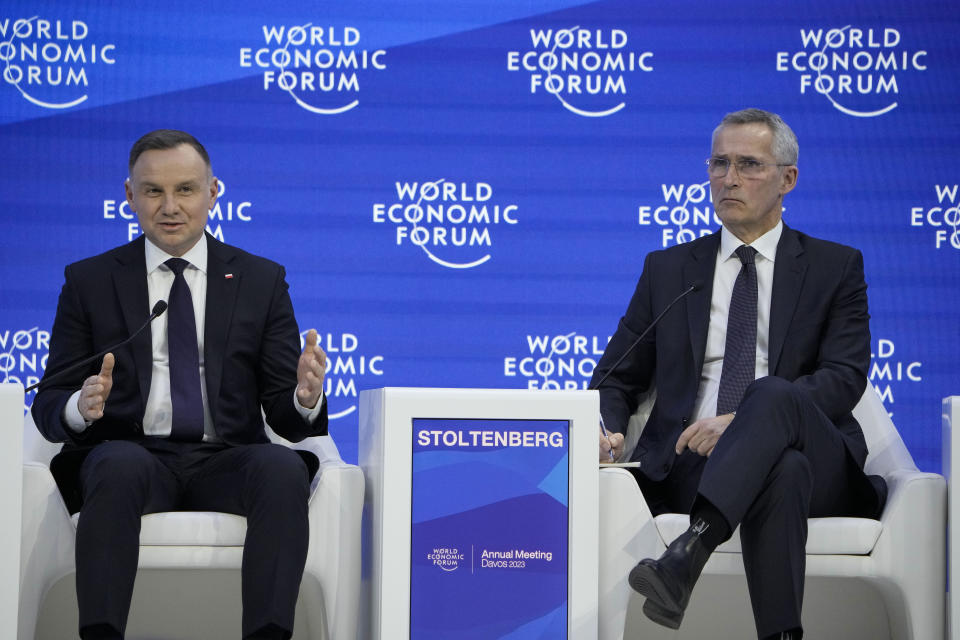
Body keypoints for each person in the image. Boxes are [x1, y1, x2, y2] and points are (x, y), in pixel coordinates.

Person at [592, 108, 887, 640]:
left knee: (771, 398)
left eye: (748, 165)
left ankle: (689, 553)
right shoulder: (669, 269)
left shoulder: (835, 266)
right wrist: (605, 427)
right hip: (693, 465)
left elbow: (843, 377)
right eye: (719, 164)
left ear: (787, 179)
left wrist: (745, 419)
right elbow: (616, 376)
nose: (729, 179)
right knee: (784, 469)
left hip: (825, 464)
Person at [31, 129, 329, 640]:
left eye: (186, 189)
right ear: (129, 196)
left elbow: (284, 415)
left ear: (213, 192)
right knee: (116, 463)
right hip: (132, 455)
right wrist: (81, 407)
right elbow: (49, 402)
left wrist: (304, 398)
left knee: (281, 467)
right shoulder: (90, 280)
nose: (170, 206)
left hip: (227, 458)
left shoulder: (261, 280)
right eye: (153, 191)